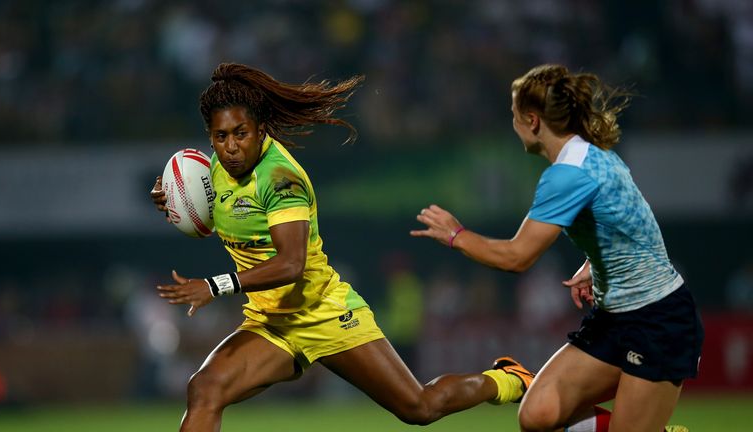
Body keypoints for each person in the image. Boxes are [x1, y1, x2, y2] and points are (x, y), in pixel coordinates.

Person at [149, 62, 534, 431]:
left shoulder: (281, 180)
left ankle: (506, 380)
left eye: (241, 134)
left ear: (261, 129)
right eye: (221, 136)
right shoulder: (213, 169)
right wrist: (178, 205)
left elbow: (291, 264)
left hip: (324, 312)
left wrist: (216, 285)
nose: (231, 147)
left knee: (419, 407)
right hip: (272, 323)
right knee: (205, 388)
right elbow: (221, 221)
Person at [411, 64, 702, 432]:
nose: (512, 123)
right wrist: (595, 264)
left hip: (658, 320)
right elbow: (630, 222)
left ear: (532, 121)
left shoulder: (568, 174)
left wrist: (456, 235)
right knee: (539, 415)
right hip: (615, 317)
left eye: (513, 115)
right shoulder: (591, 156)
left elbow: (518, 257)